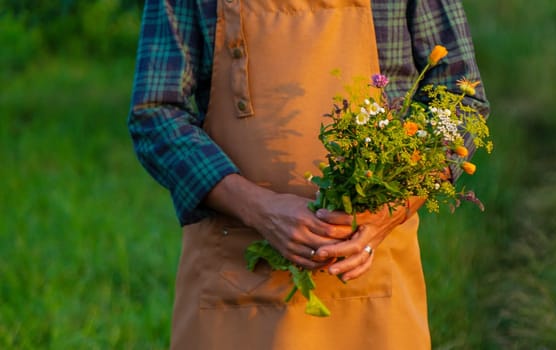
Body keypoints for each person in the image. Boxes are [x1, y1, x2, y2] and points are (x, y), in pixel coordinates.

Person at [128, 0, 488, 348]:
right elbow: (155, 113)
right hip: (234, 276)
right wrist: (260, 209)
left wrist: (385, 215)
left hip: (371, 277)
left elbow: (460, 99)